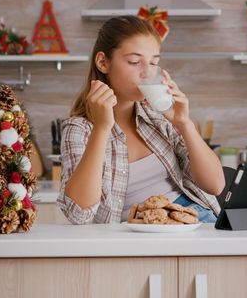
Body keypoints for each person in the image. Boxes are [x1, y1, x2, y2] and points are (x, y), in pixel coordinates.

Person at [57, 15, 225, 224]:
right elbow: (78, 214)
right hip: (137, 237)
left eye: (154, 62)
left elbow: (215, 185)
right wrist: (101, 128)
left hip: (196, 221)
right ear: (103, 62)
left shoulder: (157, 117)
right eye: (134, 62)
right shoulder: (80, 130)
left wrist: (184, 124)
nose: (147, 73)